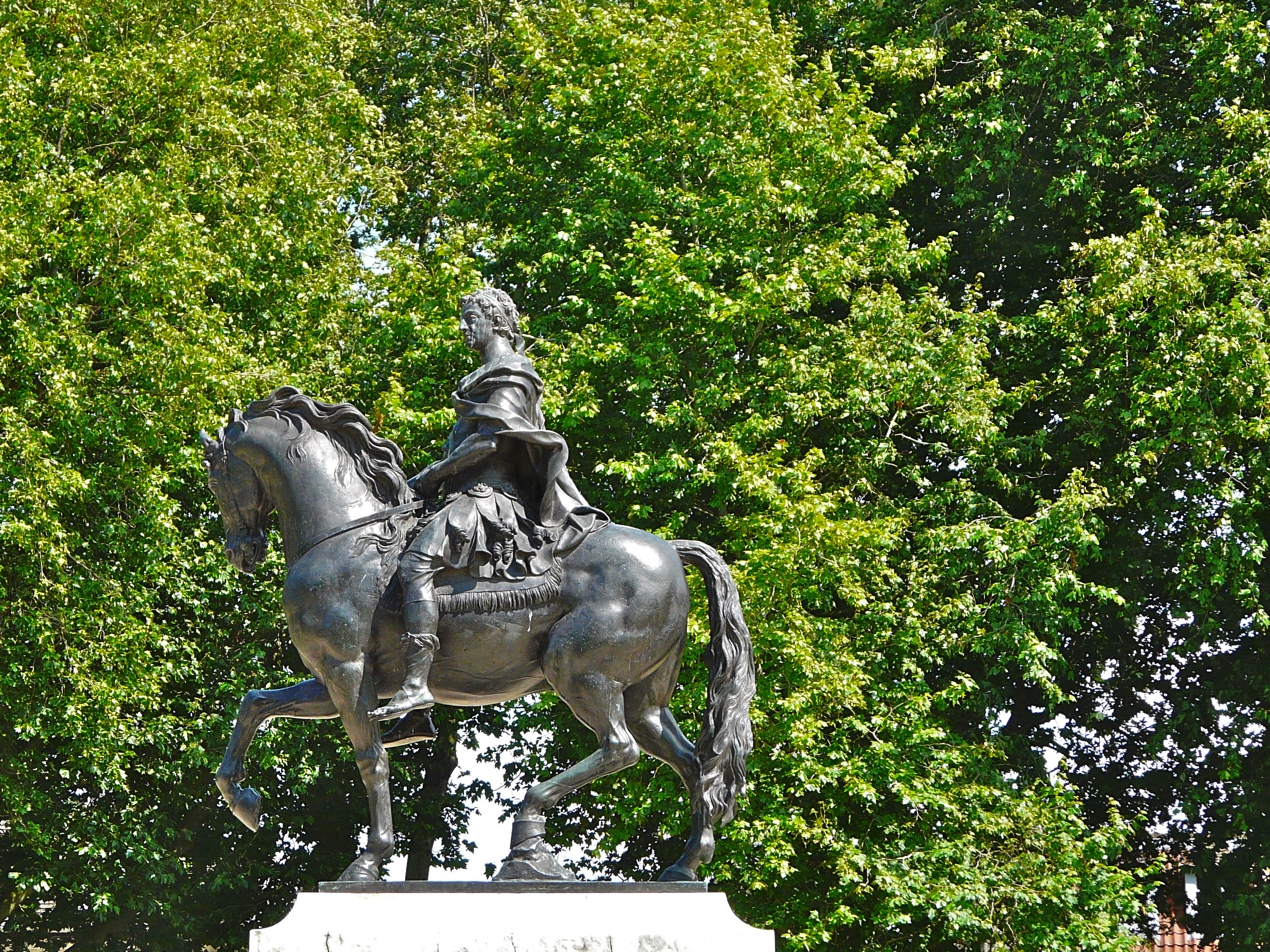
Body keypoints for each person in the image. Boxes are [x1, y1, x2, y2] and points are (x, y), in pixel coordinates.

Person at [371, 288, 609, 744]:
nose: (463, 327)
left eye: (470, 317)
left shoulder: (510, 372)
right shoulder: (483, 375)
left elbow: (490, 442)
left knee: (415, 563)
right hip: (463, 494)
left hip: (489, 498)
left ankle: (418, 687)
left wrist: (430, 475)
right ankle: (418, 707)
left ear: (495, 320)